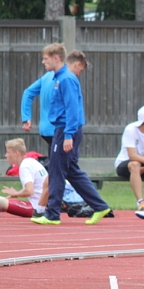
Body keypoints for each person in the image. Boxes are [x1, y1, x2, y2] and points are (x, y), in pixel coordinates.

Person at [31, 46, 112, 226]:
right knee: (71, 170)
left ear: (56, 58)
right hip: (64, 129)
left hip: (66, 130)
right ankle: (100, 206)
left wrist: (68, 135)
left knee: (57, 170)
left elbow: (72, 109)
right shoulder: (61, 78)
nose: (43, 62)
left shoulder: (66, 79)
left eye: (46, 59)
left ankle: (52, 215)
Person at [0, 139, 48, 218]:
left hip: (38, 208)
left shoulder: (25, 166)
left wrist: (16, 193)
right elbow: (33, 188)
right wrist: (16, 193)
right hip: (44, 205)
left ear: (16, 153)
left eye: (8, 152)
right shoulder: (31, 161)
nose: (6, 155)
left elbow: (29, 191)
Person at [21, 56, 57, 150]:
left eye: (45, 59)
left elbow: (28, 93)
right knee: (64, 163)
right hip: (58, 130)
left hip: (45, 129)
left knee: (54, 160)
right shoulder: (65, 78)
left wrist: (26, 117)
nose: (43, 62)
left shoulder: (46, 76)